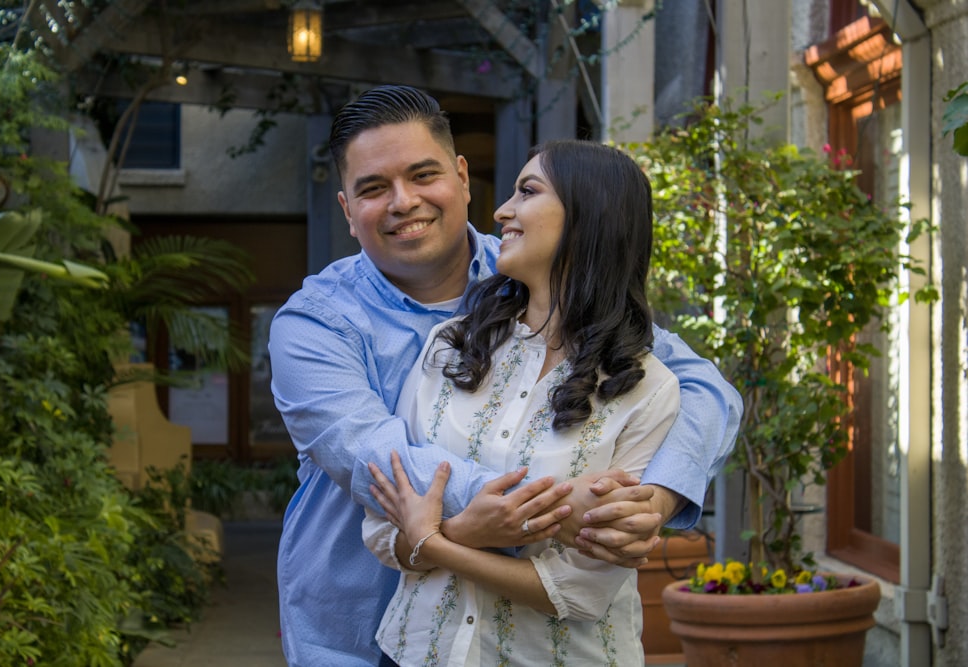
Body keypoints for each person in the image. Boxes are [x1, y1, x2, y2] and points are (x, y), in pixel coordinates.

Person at [268, 85, 742, 667]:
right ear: (346, 210)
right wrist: (569, 513)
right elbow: (379, 461)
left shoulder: (534, 272)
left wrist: (652, 502)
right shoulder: (316, 322)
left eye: (423, 175)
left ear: (463, 178)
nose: (403, 202)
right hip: (354, 625)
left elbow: (700, 386)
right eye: (372, 188)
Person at [364, 138, 678, 665]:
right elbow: (381, 524)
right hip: (414, 653)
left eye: (527, 191)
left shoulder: (649, 387)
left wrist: (437, 542)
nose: (501, 211)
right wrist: (471, 530)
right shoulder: (450, 347)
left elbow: (580, 592)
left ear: (588, 217)